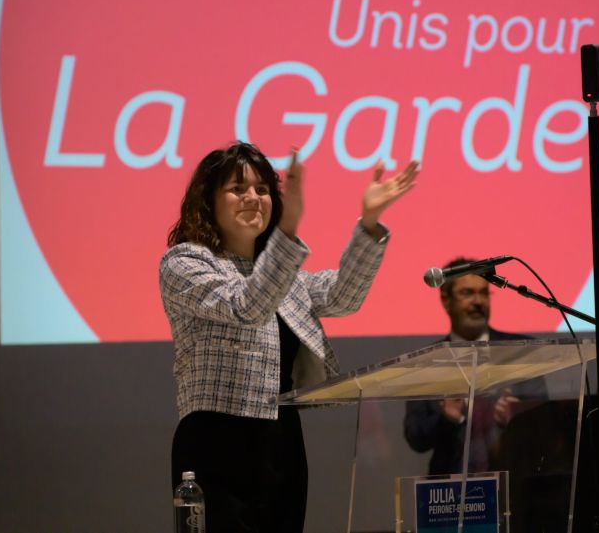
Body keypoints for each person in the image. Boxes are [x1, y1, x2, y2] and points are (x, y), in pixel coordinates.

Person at [160, 142, 418, 533]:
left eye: (262, 189)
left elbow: (343, 296)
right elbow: (246, 305)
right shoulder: (185, 262)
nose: (253, 197)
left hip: (281, 440)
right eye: (237, 188)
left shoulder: (287, 278)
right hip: (216, 440)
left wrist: (369, 222)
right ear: (209, 200)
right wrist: (288, 231)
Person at [403, 259, 535, 475]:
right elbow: (415, 436)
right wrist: (446, 418)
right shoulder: (426, 362)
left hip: (515, 482)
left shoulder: (522, 351)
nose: (478, 301)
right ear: (446, 300)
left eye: (484, 293)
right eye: (467, 293)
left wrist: (517, 417)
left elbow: (546, 420)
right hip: (451, 486)